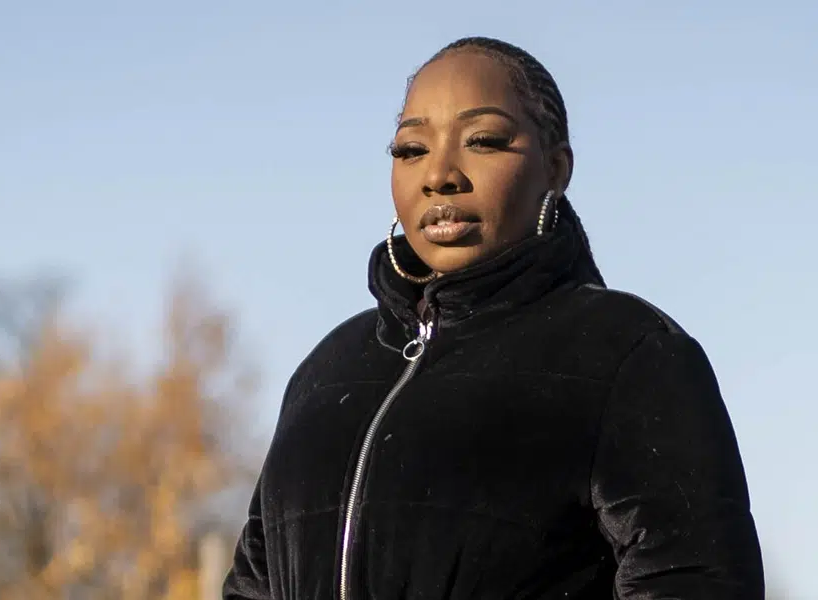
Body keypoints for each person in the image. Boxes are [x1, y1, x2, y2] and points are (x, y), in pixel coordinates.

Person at [221, 37, 763, 599]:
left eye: (483, 140)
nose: (440, 175)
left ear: (556, 169)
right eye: (410, 149)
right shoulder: (327, 368)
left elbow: (694, 583)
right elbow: (251, 586)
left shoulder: (630, 354)